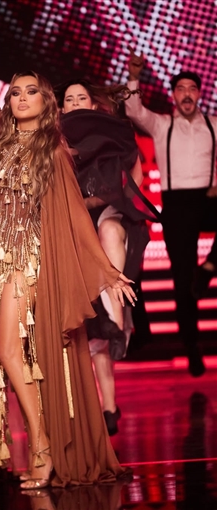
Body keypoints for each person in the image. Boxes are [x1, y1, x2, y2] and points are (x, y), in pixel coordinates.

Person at [0, 14, 136, 489]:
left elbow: (74, 215)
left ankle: (44, 449)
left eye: (31, 91)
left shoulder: (52, 149)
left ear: (46, 101)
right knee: (8, 356)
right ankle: (41, 445)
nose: (21, 98)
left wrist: (107, 269)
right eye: (15, 92)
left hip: (29, 260)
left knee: (11, 353)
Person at [55, 78, 159, 435]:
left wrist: (115, 197)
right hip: (71, 234)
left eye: (81, 97)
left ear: (92, 104)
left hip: (108, 221)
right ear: (61, 107)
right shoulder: (52, 142)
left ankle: (108, 402)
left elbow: (134, 171)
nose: (76, 102)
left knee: (110, 234)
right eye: (70, 99)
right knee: (86, 335)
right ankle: (103, 409)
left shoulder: (112, 134)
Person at [125, 47, 217, 377]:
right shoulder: (162, 124)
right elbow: (134, 110)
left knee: (195, 275)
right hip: (177, 205)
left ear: (200, 94)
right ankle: (192, 347)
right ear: (174, 95)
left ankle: (210, 266)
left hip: (208, 199)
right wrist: (134, 76)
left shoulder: (213, 124)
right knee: (182, 281)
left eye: (192, 89)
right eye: (181, 89)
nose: (187, 94)